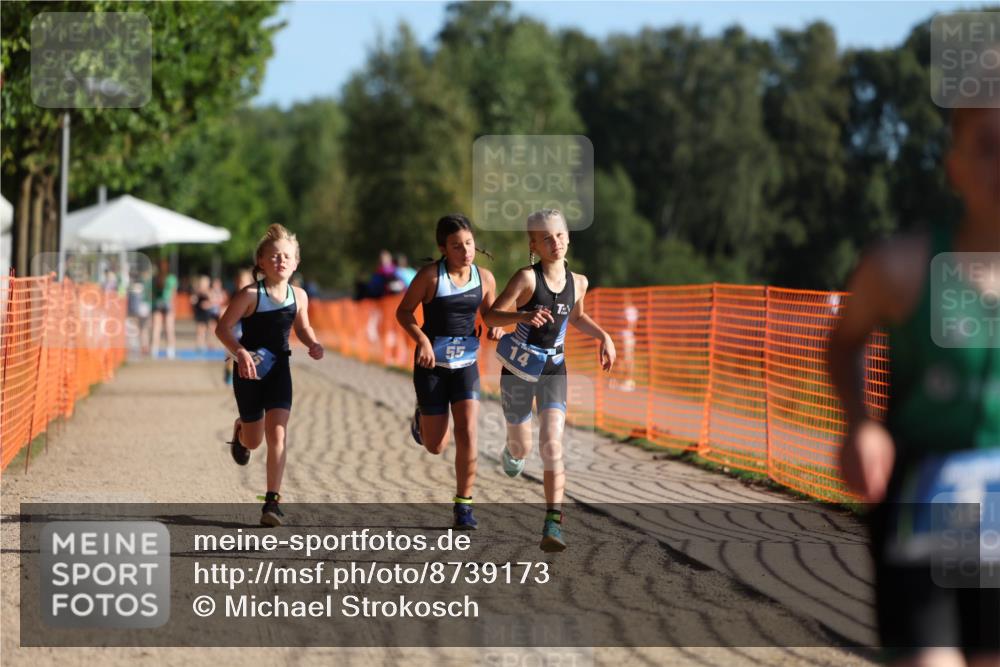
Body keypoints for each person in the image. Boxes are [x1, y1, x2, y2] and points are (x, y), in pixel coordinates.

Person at [828, 106, 999, 667]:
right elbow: (843, 341)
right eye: (988, 145)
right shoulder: (903, 268)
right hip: (924, 496)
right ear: (955, 164)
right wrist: (862, 424)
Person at [485, 208, 616, 552]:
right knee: (522, 448)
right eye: (546, 238)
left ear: (568, 237)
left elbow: (578, 316)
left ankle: (553, 523)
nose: (554, 243)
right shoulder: (526, 279)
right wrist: (522, 316)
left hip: (554, 370)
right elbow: (490, 314)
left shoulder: (580, 282)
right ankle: (512, 451)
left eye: (559, 235)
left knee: (552, 445)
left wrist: (604, 337)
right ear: (534, 245)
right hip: (518, 370)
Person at [396, 214, 503, 530]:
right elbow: (403, 312)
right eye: (457, 246)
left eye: (469, 243)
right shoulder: (430, 277)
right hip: (431, 366)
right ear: (443, 248)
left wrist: (497, 329)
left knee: (468, 430)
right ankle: (422, 417)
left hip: (465, 366)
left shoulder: (485, 278)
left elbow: (490, 315)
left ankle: (464, 505)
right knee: (436, 445)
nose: (466, 251)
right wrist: (423, 341)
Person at [216, 225, 324, 527]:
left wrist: (313, 343)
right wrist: (240, 353)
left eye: (287, 256)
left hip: (279, 372)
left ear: (296, 262)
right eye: (274, 256)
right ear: (261, 262)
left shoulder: (299, 296)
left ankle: (272, 502)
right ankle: (241, 431)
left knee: (278, 433)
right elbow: (222, 329)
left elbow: (302, 328)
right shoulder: (250, 295)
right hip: (248, 373)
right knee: (254, 440)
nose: (281, 261)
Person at [223, 270, 254, 385]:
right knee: (229, 353)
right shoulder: (234, 295)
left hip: (245, 327)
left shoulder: (253, 295)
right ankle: (228, 371)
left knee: (245, 351)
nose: (240, 284)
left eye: (243, 282)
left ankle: (244, 372)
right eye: (239, 282)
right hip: (233, 327)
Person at [150, 258, 177, 359]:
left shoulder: (154, 278)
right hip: (168, 303)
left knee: (156, 328)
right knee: (169, 329)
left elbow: (152, 293)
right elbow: (173, 294)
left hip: (157, 303)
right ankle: (170, 351)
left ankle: (154, 350)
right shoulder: (172, 278)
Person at [191, 275, 214, 352]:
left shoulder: (209, 292)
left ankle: (209, 344)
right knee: (200, 329)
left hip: (207, 313)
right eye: (201, 284)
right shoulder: (197, 292)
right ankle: (199, 345)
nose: (203, 286)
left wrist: (207, 304)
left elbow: (212, 302)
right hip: (200, 313)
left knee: (210, 329)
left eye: (204, 284)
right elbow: (193, 301)